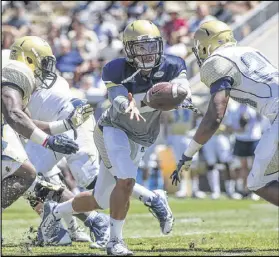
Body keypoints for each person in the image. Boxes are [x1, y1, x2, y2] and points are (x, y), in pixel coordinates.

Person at [40, 20, 195, 255]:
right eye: (140, 48)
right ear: (128, 49)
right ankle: (117, 240)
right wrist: (138, 102)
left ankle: (55, 211)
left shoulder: (173, 64)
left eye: (151, 46)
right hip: (113, 129)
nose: (147, 53)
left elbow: (182, 87)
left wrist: (182, 94)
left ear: (160, 46)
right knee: (126, 180)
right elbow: (118, 98)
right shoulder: (116, 68)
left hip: (142, 137)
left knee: (100, 200)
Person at [170, 20, 279, 207]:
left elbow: (215, 116)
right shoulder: (251, 51)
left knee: (258, 182)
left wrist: (188, 154)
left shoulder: (216, 62)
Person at [1, 36, 87, 229]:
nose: (47, 69)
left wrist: (65, 125)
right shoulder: (19, 70)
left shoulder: (13, 78)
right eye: (45, 62)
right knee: (26, 173)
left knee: (25, 173)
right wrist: (47, 142)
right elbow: (13, 115)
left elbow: (27, 121)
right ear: (29, 59)